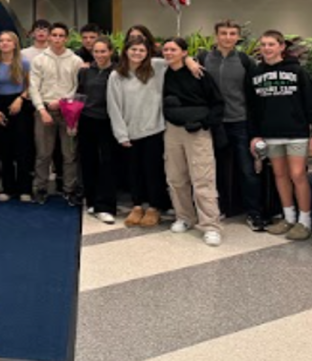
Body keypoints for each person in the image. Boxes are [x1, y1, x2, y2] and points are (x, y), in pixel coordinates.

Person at [247, 31, 312, 241]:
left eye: (271, 44)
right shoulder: (256, 73)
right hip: (271, 134)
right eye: (263, 44)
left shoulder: (297, 71)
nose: (267, 48)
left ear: (281, 47)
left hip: (296, 133)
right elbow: (253, 108)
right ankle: (289, 217)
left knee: (298, 175)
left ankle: (305, 221)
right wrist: (255, 135)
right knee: (279, 175)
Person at [161, 37, 226, 246]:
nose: (169, 53)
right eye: (166, 49)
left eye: (173, 49)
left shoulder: (199, 73)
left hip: (197, 131)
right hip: (172, 130)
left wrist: (204, 123)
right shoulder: (162, 72)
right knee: (175, 177)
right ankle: (184, 217)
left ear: (184, 52)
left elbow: (217, 103)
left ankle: (210, 225)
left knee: (203, 178)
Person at [198, 19, 261, 228]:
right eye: (223, 33)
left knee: (246, 169)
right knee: (213, 169)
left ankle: (254, 212)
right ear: (216, 36)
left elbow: (253, 93)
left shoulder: (245, 61)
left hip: (239, 122)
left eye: (232, 33)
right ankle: (220, 208)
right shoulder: (203, 58)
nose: (228, 37)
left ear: (238, 36)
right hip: (213, 123)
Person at [108, 38, 170, 227]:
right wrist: (121, 134)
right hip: (130, 131)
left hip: (154, 129)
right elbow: (114, 106)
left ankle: (154, 207)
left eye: (142, 50)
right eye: (133, 49)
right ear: (126, 51)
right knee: (133, 172)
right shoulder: (117, 76)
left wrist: (191, 61)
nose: (137, 53)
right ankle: (137, 206)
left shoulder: (157, 67)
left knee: (153, 171)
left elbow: (178, 58)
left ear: (148, 52)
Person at [29, 23, 85, 205]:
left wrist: (62, 102)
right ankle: (40, 188)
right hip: (44, 111)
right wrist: (41, 109)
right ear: (49, 37)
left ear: (66, 38)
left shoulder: (75, 60)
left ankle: (70, 189)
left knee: (69, 154)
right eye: (54, 35)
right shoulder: (39, 59)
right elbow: (33, 86)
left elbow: (77, 86)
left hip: (69, 112)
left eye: (61, 35)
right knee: (43, 153)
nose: (58, 39)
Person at [0, 30, 33, 203]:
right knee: (4, 149)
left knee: (22, 149)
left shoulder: (24, 63)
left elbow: (30, 87)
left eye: (8, 40)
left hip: (20, 105)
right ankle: (8, 188)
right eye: (1, 40)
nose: (4, 43)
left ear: (14, 44)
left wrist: (20, 99)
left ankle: (24, 189)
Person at [77, 36, 117, 222]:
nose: (100, 55)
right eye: (96, 51)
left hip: (108, 121)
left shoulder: (118, 71)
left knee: (107, 163)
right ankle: (91, 200)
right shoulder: (85, 72)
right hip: (87, 120)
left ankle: (106, 205)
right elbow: (80, 94)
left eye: (103, 51)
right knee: (88, 161)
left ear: (111, 52)